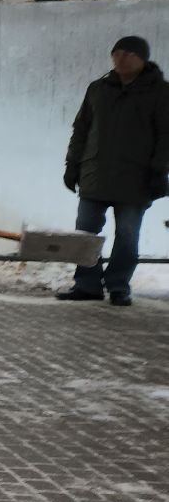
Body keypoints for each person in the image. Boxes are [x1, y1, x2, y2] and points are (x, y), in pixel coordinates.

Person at [57, 36, 169, 307]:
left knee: (127, 235)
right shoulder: (98, 89)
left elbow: (166, 135)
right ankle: (86, 284)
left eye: (129, 54)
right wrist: (72, 165)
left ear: (143, 59)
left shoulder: (160, 92)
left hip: (136, 177)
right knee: (85, 233)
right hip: (95, 173)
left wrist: (159, 170)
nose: (121, 59)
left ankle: (119, 285)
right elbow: (81, 130)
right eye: (117, 54)